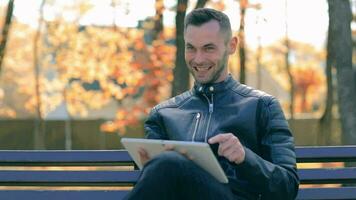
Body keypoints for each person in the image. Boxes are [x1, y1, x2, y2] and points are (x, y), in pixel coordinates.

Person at [124, 8, 299, 200]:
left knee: (168, 162)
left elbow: (287, 187)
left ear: (231, 46)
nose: (198, 59)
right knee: (167, 163)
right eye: (191, 48)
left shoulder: (263, 106)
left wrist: (245, 158)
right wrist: (152, 169)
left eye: (208, 48)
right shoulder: (163, 114)